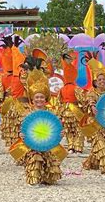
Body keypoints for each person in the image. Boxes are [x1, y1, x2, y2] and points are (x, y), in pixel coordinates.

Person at [9, 56, 66, 186]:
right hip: (32, 145)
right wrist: (21, 135)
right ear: (32, 99)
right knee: (35, 159)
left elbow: (57, 128)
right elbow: (21, 129)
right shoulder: (27, 113)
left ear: (45, 98)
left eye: (41, 97)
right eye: (36, 97)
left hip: (48, 144)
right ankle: (34, 177)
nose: (39, 99)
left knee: (51, 178)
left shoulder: (51, 112)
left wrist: (60, 135)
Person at [80, 51, 105, 174]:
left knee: (103, 144)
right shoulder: (92, 92)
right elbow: (90, 101)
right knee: (101, 144)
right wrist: (93, 106)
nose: (101, 81)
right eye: (99, 79)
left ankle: (92, 163)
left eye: (103, 79)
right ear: (95, 81)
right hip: (94, 124)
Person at [57, 54, 85, 154]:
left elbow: (58, 102)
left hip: (65, 112)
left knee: (68, 130)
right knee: (78, 129)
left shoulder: (62, 89)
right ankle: (78, 147)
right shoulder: (76, 89)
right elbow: (82, 100)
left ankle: (70, 147)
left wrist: (59, 115)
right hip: (75, 111)